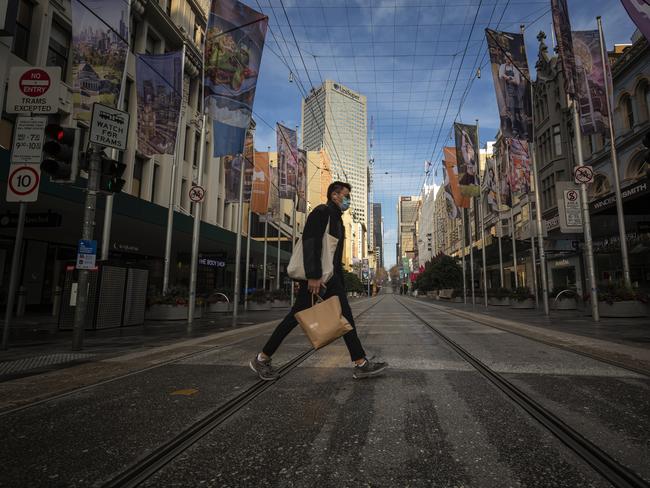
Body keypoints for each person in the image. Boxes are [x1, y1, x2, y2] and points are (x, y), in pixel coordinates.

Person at [250, 182, 388, 381]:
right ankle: (262, 358)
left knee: (346, 318)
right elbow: (310, 241)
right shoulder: (321, 212)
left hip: (330, 279)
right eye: (346, 195)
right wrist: (313, 275)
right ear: (334, 195)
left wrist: (340, 283)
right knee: (294, 317)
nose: (348, 200)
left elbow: (333, 256)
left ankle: (361, 362)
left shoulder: (338, 220)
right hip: (317, 278)